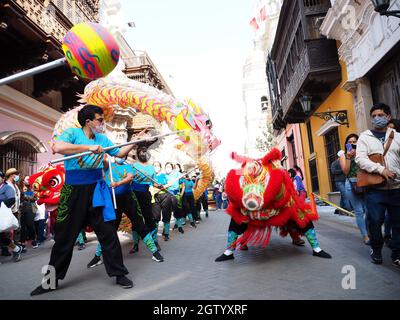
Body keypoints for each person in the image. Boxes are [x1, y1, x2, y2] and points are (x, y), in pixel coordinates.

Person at [30, 105, 135, 296]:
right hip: (74, 192)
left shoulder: (102, 139)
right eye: (100, 120)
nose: (102, 123)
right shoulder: (72, 133)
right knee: (63, 238)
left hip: (97, 191)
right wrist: (88, 147)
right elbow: (58, 147)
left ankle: (119, 274)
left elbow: (119, 153)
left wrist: (135, 141)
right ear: (89, 121)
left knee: (109, 234)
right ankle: (49, 282)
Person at [87, 155, 163, 268]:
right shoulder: (108, 165)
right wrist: (100, 152)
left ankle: (155, 252)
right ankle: (97, 256)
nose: (120, 157)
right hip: (113, 202)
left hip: (128, 199)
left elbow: (130, 177)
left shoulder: (128, 166)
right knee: (109, 229)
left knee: (140, 224)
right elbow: (101, 159)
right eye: (118, 155)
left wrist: (117, 184)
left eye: (122, 155)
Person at [355, 103, 400, 267]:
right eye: (373, 116)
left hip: (396, 188)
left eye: (380, 115)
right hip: (375, 189)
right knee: (375, 221)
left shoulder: (397, 136)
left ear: (388, 116)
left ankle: (397, 253)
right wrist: (381, 170)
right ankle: (376, 250)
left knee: (398, 223)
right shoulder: (365, 137)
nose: (376, 118)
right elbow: (360, 159)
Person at [339, 134, 369, 245]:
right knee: (359, 211)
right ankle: (365, 236)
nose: (352, 144)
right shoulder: (343, 155)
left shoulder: (363, 152)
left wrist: (358, 156)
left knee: (369, 210)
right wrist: (348, 157)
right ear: (347, 144)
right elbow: (346, 171)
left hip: (365, 182)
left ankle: (369, 231)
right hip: (351, 184)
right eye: (350, 142)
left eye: (354, 141)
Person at [130, 144, 161, 253]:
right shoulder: (133, 166)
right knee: (135, 219)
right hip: (134, 194)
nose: (143, 154)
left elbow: (154, 182)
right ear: (138, 154)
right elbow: (129, 179)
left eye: (145, 152)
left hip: (146, 194)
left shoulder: (151, 168)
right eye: (141, 152)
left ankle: (155, 241)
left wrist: (159, 185)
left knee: (149, 218)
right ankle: (135, 244)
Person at [0, 170, 23, 262]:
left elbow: (11, 200)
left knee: (1, 238)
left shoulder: (7, 187)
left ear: (2, 178)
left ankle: (17, 249)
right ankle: (17, 249)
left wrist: (1, 204)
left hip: (3, 214)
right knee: (1, 238)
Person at [152, 161, 172, 241]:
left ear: (160, 167)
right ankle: (155, 238)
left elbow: (170, 183)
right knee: (155, 217)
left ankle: (166, 233)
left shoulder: (164, 175)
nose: (156, 167)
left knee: (166, 215)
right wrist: (155, 185)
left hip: (165, 196)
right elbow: (151, 184)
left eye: (157, 166)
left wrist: (163, 187)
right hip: (155, 196)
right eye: (154, 165)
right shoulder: (152, 176)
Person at [165, 162, 185, 234]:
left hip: (175, 193)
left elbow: (183, 177)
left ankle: (179, 226)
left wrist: (180, 177)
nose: (168, 168)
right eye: (166, 167)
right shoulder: (164, 175)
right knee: (167, 212)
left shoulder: (176, 173)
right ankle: (166, 231)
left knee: (177, 210)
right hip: (167, 194)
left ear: (172, 167)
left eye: (169, 166)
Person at [19, 183, 38, 250]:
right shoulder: (19, 192)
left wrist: (26, 195)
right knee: (23, 227)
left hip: (30, 210)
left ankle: (33, 240)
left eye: (26, 186)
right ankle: (22, 243)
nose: (25, 187)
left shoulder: (30, 192)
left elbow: (35, 198)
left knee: (30, 225)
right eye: (23, 186)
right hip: (21, 211)